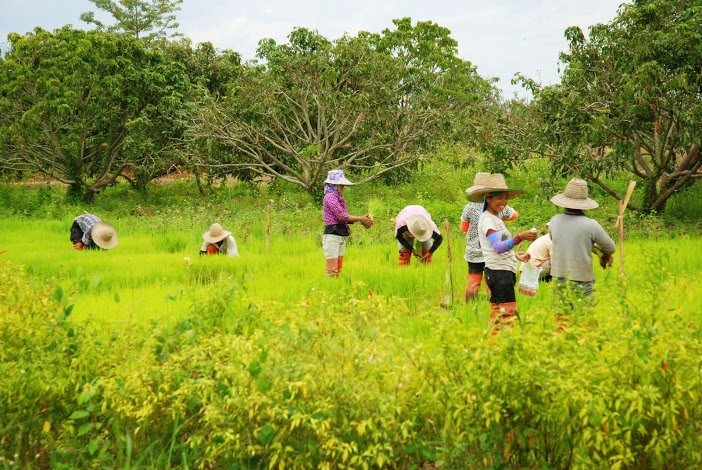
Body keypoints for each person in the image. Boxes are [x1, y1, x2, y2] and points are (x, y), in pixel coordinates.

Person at [470, 174, 537, 334]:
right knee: (508, 316)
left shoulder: (496, 219)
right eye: (499, 198)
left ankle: (493, 348)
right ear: (488, 198)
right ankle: (506, 350)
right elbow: (498, 247)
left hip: (500, 272)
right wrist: (519, 237)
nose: (504, 202)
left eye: (506, 198)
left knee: (497, 315)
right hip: (499, 275)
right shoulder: (487, 220)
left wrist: (516, 255)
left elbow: (502, 248)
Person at [549, 178, 615, 297]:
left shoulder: (554, 220)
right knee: (584, 313)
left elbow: (555, 239)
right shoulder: (591, 224)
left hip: (559, 277)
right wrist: (601, 252)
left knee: (562, 314)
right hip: (583, 279)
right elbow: (610, 248)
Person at [461, 172, 519, 301]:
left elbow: (463, 228)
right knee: (491, 279)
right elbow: (515, 215)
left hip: (473, 250)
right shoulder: (500, 206)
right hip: (493, 252)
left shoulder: (469, 207)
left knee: (473, 277)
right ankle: (493, 301)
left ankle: (470, 305)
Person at [322, 169, 373, 277]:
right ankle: (330, 289)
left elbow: (345, 218)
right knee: (332, 270)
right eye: (341, 184)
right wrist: (361, 219)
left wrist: (363, 220)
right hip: (332, 235)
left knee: (338, 268)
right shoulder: (330, 197)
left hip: (340, 234)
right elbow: (342, 216)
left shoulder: (338, 197)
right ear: (334, 184)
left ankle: (335, 288)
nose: (343, 187)